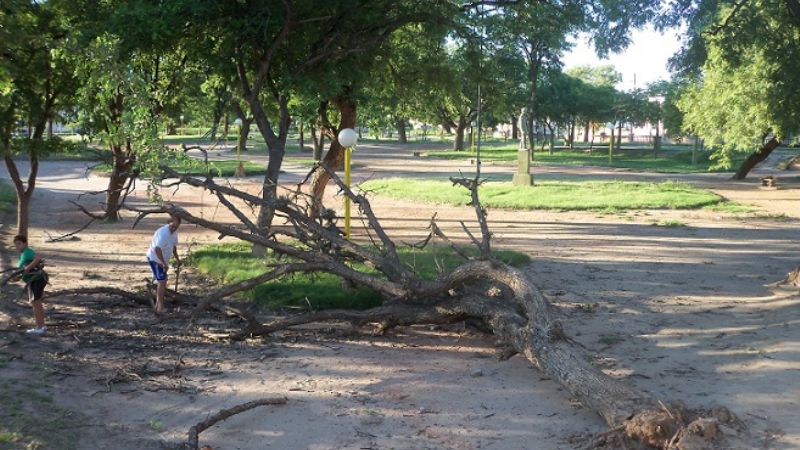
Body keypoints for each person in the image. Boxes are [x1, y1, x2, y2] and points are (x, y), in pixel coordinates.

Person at [146, 216, 181, 313]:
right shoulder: (163, 233)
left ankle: (158, 305)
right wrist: (163, 263)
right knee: (162, 281)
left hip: (163, 259)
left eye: (176, 227)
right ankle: (160, 307)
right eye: (172, 226)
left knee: (162, 281)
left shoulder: (174, 233)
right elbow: (157, 249)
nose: (173, 228)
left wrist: (177, 259)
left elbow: (174, 247)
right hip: (155, 258)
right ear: (168, 223)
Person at [13, 235, 48, 334]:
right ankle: (41, 326)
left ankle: (40, 327)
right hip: (32, 280)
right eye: (16, 244)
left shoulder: (27, 252)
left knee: (36, 302)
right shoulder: (23, 254)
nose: (17, 246)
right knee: (35, 302)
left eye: (19, 244)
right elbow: (24, 269)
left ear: (24, 244)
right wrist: (18, 277)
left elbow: (38, 258)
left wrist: (27, 268)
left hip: (37, 279)